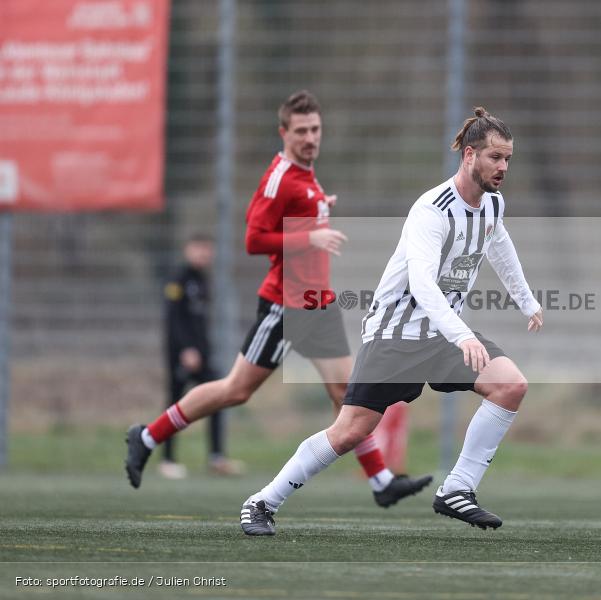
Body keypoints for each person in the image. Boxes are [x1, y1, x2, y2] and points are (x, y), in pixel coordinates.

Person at [239, 106, 544, 536]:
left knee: (510, 384)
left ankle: (457, 489)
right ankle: (262, 502)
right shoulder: (431, 210)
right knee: (349, 432)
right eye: (496, 157)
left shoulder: (493, 204)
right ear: (470, 155)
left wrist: (526, 300)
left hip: (441, 334)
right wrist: (460, 335)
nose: (503, 167)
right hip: (395, 334)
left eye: (508, 159)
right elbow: (421, 282)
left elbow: (499, 244)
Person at [126, 90, 431, 508]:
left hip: (316, 305)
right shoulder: (279, 177)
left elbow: (297, 215)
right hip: (286, 306)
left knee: (346, 393)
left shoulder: (307, 174)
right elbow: (254, 240)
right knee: (236, 389)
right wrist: (312, 234)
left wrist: (319, 209)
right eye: (301, 131)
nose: (310, 138)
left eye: (316, 129)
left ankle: (380, 481)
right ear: (283, 132)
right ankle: (147, 436)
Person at [160, 233, 243, 479]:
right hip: (182, 354)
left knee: (217, 398)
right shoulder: (179, 279)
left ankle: (216, 457)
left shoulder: (202, 279)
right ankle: (167, 459)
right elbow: (173, 319)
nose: (204, 254)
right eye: (199, 249)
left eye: (208, 250)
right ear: (188, 250)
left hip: (202, 354)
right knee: (176, 403)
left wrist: (203, 349)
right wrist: (186, 349)